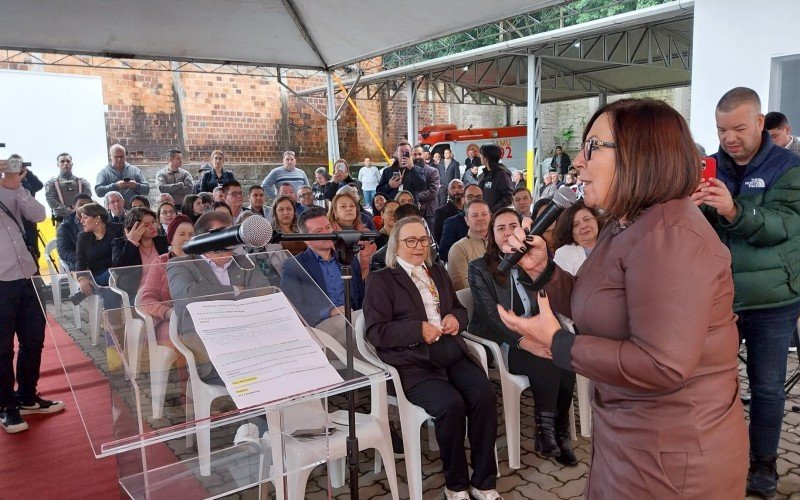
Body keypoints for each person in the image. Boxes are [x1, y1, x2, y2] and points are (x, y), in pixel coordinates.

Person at [497, 98, 748, 498]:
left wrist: (559, 343)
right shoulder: (626, 225)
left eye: (593, 147)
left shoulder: (671, 238)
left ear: (641, 154)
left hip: (669, 460)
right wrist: (543, 270)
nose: (577, 161)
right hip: (630, 438)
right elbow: (598, 301)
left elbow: (662, 364)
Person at [693, 87, 800, 498]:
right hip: (720, 298)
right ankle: (718, 455)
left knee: (768, 386)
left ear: (760, 122)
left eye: (738, 127)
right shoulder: (711, 166)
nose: (729, 137)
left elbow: (782, 227)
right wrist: (694, 204)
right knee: (713, 382)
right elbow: (702, 226)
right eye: (721, 129)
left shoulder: (789, 168)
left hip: (774, 300)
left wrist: (734, 210)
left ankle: (764, 465)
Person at [363, 216, 499, 500]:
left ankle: (484, 482)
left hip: (451, 352)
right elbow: (376, 332)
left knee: (484, 395)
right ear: (396, 246)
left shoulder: (436, 271)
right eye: (410, 241)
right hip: (413, 362)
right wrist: (417, 330)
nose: (418, 246)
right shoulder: (381, 280)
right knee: (450, 405)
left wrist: (453, 319)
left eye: (423, 240)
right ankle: (456, 484)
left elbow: (460, 310)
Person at [468, 208, 577, 467]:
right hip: (502, 341)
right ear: (492, 236)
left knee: (564, 354)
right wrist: (526, 342)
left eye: (513, 226)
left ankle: (558, 434)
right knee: (547, 359)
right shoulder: (479, 268)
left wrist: (548, 336)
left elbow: (547, 302)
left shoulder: (532, 260)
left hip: (535, 331)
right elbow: (491, 316)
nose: (508, 233)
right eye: (501, 228)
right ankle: (546, 430)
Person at [166, 211, 278, 383]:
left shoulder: (245, 261)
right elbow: (188, 294)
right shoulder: (181, 264)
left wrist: (213, 295)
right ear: (204, 237)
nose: (230, 239)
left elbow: (264, 291)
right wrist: (235, 290)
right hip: (206, 339)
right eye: (222, 234)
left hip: (249, 333)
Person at [0, 156, 65, 433]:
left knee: (34, 340)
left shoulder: (14, 191)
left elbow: (38, 215)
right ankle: (6, 407)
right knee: (2, 349)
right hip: (1, 281)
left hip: (28, 276)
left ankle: (27, 396)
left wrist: (18, 187)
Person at [281, 206, 365, 346]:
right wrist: (330, 311)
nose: (327, 234)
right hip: (320, 326)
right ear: (306, 239)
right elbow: (293, 306)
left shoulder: (348, 258)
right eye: (319, 231)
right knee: (366, 323)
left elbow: (360, 294)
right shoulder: (294, 266)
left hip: (354, 317)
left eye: (328, 227)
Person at [139, 214, 195, 347]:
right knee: (182, 337)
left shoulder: (201, 261)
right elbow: (146, 299)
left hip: (197, 318)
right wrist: (168, 313)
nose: (187, 238)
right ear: (171, 239)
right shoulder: (161, 263)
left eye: (191, 234)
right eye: (182, 234)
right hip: (169, 321)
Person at [111, 207, 170, 302]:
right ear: (134, 228)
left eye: (153, 222)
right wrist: (132, 243)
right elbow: (119, 269)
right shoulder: (120, 244)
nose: (153, 226)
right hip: (137, 293)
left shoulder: (162, 241)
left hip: (164, 290)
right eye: (146, 225)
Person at [73, 202, 125, 303]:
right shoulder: (83, 237)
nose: (81, 221)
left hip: (119, 272)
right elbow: (80, 260)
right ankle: (114, 317)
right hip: (98, 275)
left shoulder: (118, 230)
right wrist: (82, 278)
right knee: (109, 288)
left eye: (85, 217)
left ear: (97, 219)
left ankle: (92, 287)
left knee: (111, 282)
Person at [328, 191, 376, 277]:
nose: (349, 209)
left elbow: (373, 265)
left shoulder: (366, 234)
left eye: (352, 206)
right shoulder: (328, 235)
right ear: (335, 212)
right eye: (343, 206)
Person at [447, 200, 490, 291]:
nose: (480, 218)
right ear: (466, 220)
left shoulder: (500, 242)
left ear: (490, 216)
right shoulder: (458, 249)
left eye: (484, 214)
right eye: (475, 215)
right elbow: (462, 287)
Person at [552, 200, 600, 276]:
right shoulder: (564, 253)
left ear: (597, 219)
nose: (583, 226)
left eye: (586, 219)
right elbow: (562, 285)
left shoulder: (612, 242)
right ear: (570, 232)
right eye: (576, 225)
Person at [438, 184, 483, 262]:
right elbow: (443, 253)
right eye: (470, 197)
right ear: (463, 200)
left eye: (479, 197)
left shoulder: (490, 221)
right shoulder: (452, 223)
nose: (475, 200)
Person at [44, 152, 92, 223]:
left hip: (82, 220)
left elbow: (88, 198)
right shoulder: (51, 183)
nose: (65, 163)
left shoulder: (83, 182)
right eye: (62, 162)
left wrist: (78, 210)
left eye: (68, 161)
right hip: (62, 220)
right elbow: (51, 200)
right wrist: (67, 210)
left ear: (72, 164)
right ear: (58, 165)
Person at [57, 193, 93, 271]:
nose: (85, 208)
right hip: (78, 264)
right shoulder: (65, 227)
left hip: (100, 261)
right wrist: (84, 258)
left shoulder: (98, 221)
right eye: (81, 205)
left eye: (88, 205)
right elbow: (64, 252)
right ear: (73, 207)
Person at [477, 144, 513, 213]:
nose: (479, 156)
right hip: (484, 214)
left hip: (496, 216)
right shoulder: (483, 175)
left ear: (486, 157)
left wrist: (493, 210)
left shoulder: (501, 174)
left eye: (481, 153)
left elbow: (509, 196)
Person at [433, 179, 465, 244]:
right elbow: (438, 238)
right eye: (453, 188)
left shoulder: (470, 210)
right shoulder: (441, 212)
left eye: (460, 187)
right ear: (448, 192)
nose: (457, 190)